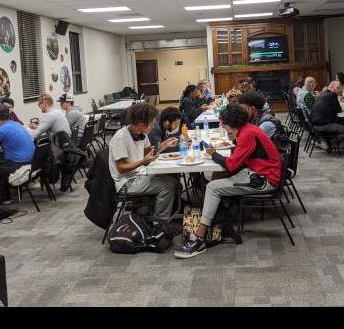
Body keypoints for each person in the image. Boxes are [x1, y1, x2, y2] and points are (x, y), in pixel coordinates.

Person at [174, 104, 282, 259]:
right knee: (216, 177)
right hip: (260, 173)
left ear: (233, 122)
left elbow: (232, 164)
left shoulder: (247, 134)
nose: (223, 128)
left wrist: (214, 154)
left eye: (224, 125)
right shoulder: (249, 129)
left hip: (264, 180)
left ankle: (200, 236)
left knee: (212, 187)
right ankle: (218, 225)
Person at [108, 103, 179, 220]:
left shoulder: (142, 135)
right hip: (126, 182)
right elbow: (121, 167)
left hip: (140, 174)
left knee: (171, 177)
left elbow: (147, 155)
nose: (153, 126)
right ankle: (160, 222)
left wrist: (165, 145)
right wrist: (143, 161)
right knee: (168, 185)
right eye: (151, 123)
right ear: (141, 124)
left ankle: (163, 210)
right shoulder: (121, 137)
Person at [0, 104, 35, 207]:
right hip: (30, 160)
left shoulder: (1, 130)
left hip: (19, 163)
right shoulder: (14, 124)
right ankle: (5, 198)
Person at [310, 81, 344, 149]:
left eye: (340, 88)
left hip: (314, 124)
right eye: (338, 88)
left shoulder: (321, 95)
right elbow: (339, 110)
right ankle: (332, 142)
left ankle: (327, 142)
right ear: (332, 88)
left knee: (343, 123)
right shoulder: (332, 95)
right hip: (323, 125)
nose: (340, 90)